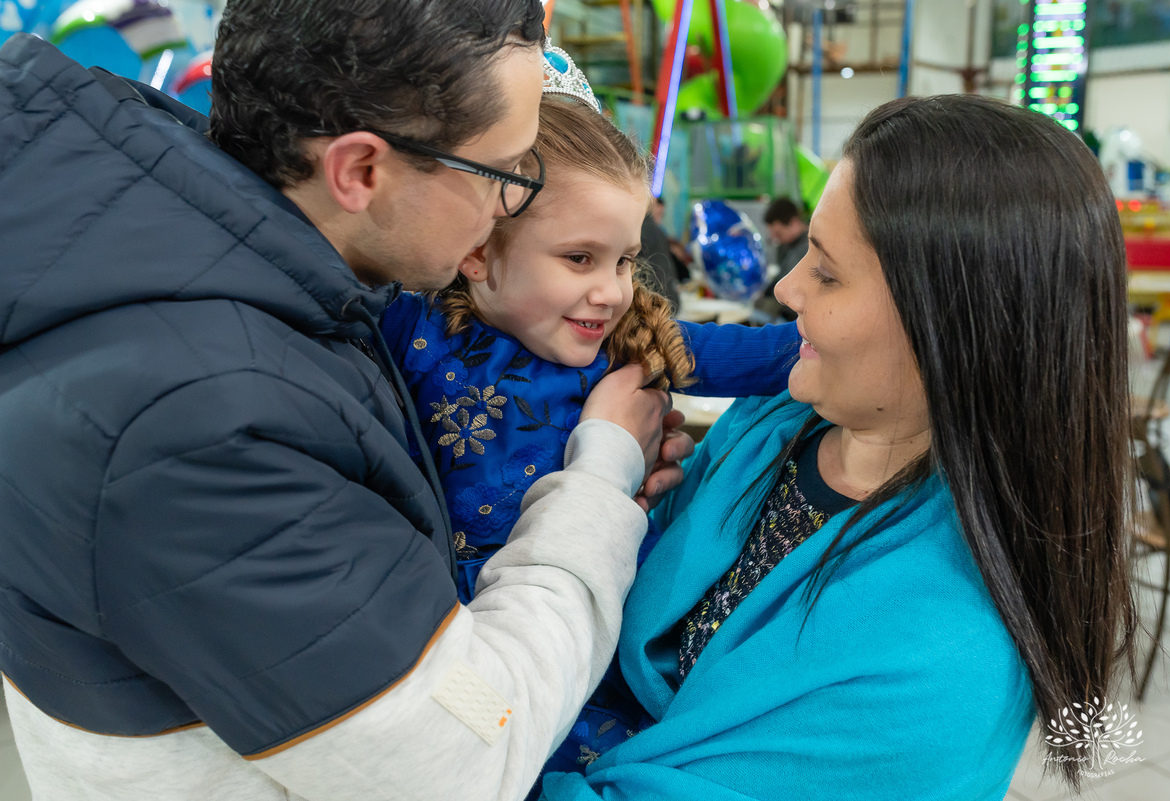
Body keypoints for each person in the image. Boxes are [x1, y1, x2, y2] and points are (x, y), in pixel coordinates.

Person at [0, 2, 690, 800]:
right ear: (361, 170)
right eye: (506, 175)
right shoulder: (201, 424)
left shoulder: (194, 264)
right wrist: (599, 477)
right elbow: (460, 757)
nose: (509, 208)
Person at [541, 95, 1136, 800]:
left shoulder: (934, 657)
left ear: (946, 324)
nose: (786, 288)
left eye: (825, 272)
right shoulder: (776, 423)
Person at [380, 67, 797, 792]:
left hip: (604, 617)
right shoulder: (409, 327)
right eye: (580, 258)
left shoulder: (622, 345)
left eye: (626, 260)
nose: (611, 290)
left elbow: (766, 354)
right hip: (468, 630)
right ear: (478, 251)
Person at [758, 197, 808, 321]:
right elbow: (781, 276)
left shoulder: (808, 249)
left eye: (778, 233)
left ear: (794, 222)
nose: (775, 239)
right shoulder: (789, 246)